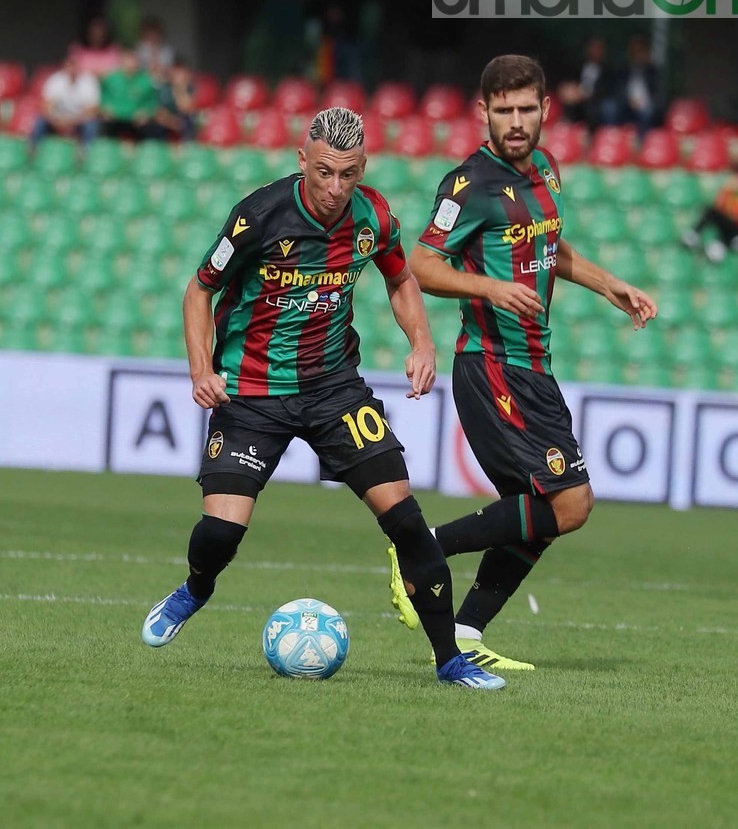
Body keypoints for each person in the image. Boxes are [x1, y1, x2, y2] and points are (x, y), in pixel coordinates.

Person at [140, 106, 507, 690]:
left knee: (408, 523)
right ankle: (195, 590)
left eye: (348, 175)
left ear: (362, 168)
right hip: (253, 391)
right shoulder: (259, 216)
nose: (336, 189)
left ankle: (448, 660)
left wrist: (422, 342)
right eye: (325, 173)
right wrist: (201, 369)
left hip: (334, 388)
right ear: (301, 161)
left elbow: (400, 277)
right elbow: (199, 288)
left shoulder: (373, 216)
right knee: (220, 535)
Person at [400, 55, 658, 670]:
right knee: (571, 503)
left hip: (533, 367)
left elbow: (547, 244)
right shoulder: (469, 184)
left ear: (546, 110)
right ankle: (421, 548)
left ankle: (464, 635)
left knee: (537, 517)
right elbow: (423, 264)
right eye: (503, 110)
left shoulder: (546, 169)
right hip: (493, 364)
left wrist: (607, 284)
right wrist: (488, 288)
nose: (515, 122)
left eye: (525, 109)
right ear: (483, 111)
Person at [29, 52, 100, 153]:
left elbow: (91, 110)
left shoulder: (88, 81)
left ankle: (86, 153)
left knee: (91, 124)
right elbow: (47, 105)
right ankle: (33, 150)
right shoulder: (55, 80)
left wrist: (70, 121)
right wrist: (56, 120)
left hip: (79, 119)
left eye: (73, 65)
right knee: (40, 121)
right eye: (68, 65)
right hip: (58, 118)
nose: (71, 69)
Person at [680, 162, 738, 263]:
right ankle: (697, 237)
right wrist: (727, 192)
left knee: (711, 212)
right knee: (710, 212)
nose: (735, 179)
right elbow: (720, 206)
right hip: (729, 228)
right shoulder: (729, 191)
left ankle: (727, 244)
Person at [606, 34, 664, 137]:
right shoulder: (622, 71)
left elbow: (658, 94)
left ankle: (642, 142)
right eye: (634, 52)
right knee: (610, 107)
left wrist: (644, 101)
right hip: (625, 104)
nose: (637, 55)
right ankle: (612, 139)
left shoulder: (653, 72)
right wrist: (629, 101)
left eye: (640, 51)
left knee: (648, 110)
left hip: (646, 104)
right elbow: (616, 91)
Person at [99, 49, 157, 141]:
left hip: (137, 120)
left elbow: (152, 102)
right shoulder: (111, 78)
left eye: (133, 61)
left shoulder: (146, 80)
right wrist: (105, 108)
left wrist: (147, 113)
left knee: (152, 129)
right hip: (115, 119)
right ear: (122, 62)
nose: (130, 64)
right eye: (128, 61)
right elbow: (102, 97)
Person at [557, 36, 611, 132]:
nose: (595, 51)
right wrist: (572, 91)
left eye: (598, 48)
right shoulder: (578, 66)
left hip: (595, 102)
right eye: (593, 47)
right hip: (576, 100)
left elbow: (606, 90)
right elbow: (569, 83)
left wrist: (586, 94)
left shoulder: (608, 70)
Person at [142, 57, 196, 142]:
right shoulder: (164, 89)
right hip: (167, 125)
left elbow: (186, 109)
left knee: (189, 122)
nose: (177, 75)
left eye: (180, 72)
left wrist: (180, 89)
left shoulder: (190, 89)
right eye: (175, 71)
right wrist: (173, 123)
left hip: (184, 124)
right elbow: (159, 113)